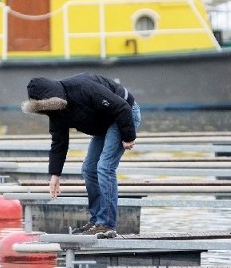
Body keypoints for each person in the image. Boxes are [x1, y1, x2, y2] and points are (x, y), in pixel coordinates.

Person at [21, 72, 141, 237]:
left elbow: (121, 107)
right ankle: (96, 221)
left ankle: (107, 224)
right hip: (104, 123)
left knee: (105, 167)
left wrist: (128, 136)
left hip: (124, 115)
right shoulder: (56, 112)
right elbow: (59, 143)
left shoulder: (84, 88)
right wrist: (55, 175)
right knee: (89, 168)